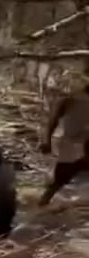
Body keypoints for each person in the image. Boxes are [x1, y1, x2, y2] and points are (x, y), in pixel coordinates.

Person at [39, 78, 89, 207]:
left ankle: (42, 205)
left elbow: (53, 120)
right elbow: (53, 120)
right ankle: (41, 206)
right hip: (72, 148)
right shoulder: (72, 100)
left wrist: (47, 140)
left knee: (57, 183)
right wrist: (47, 140)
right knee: (58, 182)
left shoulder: (72, 99)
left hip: (76, 147)